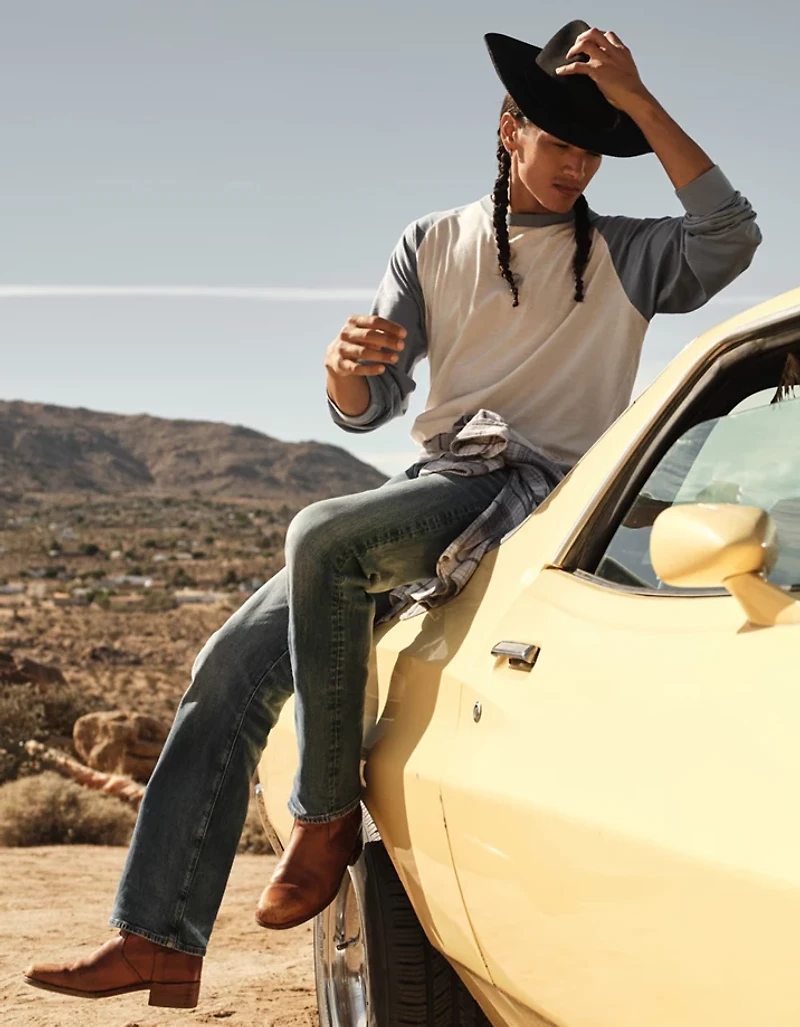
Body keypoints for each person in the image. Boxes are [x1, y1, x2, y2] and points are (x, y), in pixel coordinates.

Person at [24, 20, 761, 1009]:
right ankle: (156, 936)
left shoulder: (628, 254)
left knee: (323, 533)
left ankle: (324, 819)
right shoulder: (430, 240)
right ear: (508, 128)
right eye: (556, 140)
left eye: (593, 148)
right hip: (439, 482)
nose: (575, 164)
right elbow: (368, 406)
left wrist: (637, 103)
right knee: (227, 668)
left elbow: (729, 233)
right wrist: (342, 372)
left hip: (550, 488)